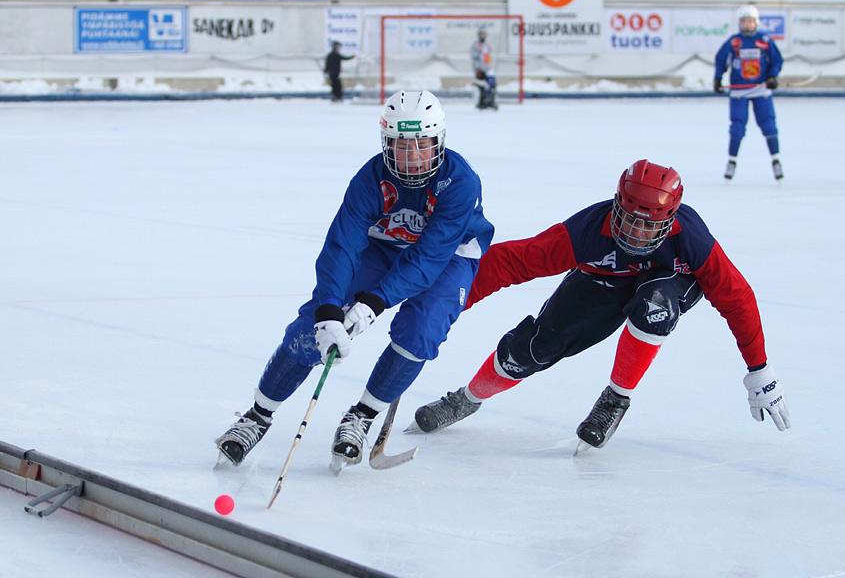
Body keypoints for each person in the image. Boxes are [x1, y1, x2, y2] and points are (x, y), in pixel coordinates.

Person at [412, 160, 790, 455]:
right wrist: (445, 303)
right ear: (616, 205)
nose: (637, 233)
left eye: (649, 225)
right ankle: (467, 398)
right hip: (604, 282)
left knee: (655, 305)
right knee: (531, 350)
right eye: (630, 220)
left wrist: (759, 369)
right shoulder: (586, 232)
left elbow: (736, 296)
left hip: (667, 285)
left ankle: (615, 398)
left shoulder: (690, 237)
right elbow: (511, 261)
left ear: (670, 221)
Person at [215, 90, 494, 473]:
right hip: (384, 246)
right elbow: (343, 245)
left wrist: (374, 302)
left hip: (448, 257)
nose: (412, 157)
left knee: (422, 330)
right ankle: (257, 417)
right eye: (401, 145)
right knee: (311, 327)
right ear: (386, 143)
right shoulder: (370, 178)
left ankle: (361, 416)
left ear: (439, 141)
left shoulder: (460, 182)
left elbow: (428, 258)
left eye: (422, 145)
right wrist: (330, 307)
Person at [713, 5, 784, 181]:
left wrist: (772, 77)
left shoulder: (765, 40)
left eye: (750, 21)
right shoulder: (734, 42)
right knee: (737, 127)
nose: (747, 24)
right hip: (739, 92)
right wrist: (717, 78)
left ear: (756, 23)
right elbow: (721, 60)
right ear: (740, 23)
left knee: (768, 125)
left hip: (760, 90)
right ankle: (731, 161)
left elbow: (776, 61)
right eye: (744, 21)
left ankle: (776, 161)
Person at [470, 28, 497, 110]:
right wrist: (477, 69)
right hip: (480, 69)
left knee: (492, 84)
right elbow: (475, 58)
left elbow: (488, 57)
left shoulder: (487, 45)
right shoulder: (475, 46)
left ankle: (491, 101)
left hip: (488, 69)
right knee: (481, 86)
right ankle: (481, 102)